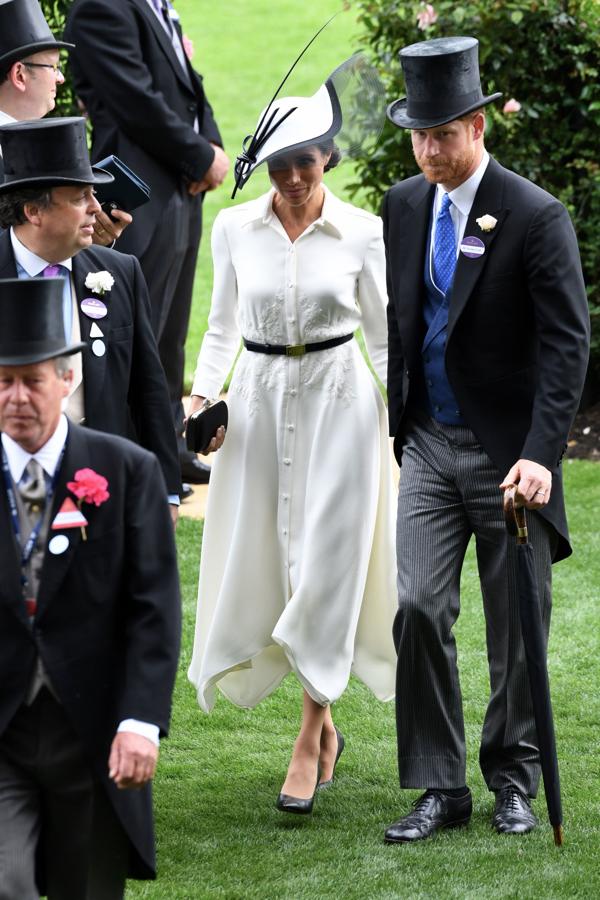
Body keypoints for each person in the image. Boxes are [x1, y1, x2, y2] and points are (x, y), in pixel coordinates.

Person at [382, 36, 590, 843]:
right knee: (416, 608)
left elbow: (567, 346)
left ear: (477, 124)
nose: (430, 149)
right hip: (430, 444)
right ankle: (439, 786)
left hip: (511, 455)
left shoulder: (536, 215)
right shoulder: (405, 206)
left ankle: (513, 777)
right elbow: (409, 323)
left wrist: (540, 454)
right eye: (419, 135)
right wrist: (400, 423)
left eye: (443, 133)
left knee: (516, 626)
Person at [187, 57, 398, 814]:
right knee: (276, 560)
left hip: (343, 408)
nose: (292, 178)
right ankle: (324, 715)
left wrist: (408, 420)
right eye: (279, 165)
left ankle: (309, 736)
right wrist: (200, 397)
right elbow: (218, 328)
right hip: (260, 401)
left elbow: (383, 339)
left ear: (328, 159)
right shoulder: (234, 228)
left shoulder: (364, 233)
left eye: (305, 162)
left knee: (328, 565)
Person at [0, 276, 181, 897]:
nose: (16, 397)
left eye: (32, 380)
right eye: (2, 381)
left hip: (95, 730)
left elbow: (153, 609)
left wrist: (140, 721)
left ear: (67, 380)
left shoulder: (126, 472)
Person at [65, 0, 230, 487]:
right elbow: (134, 99)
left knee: (171, 329)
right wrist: (200, 156)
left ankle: (170, 448)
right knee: (136, 332)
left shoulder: (157, 5)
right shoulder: (99, 7)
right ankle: (137, 463)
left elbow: (185, 84)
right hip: (133, 191)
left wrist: (210, 149)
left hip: (177, 183)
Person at [0, 116, 182, 522]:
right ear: (34, 211)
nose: (97, 210)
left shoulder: (120, 272)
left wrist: (167, 492)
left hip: (101, 494)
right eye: (81, 197)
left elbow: (148, 391)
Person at [0, 0, 132, 248]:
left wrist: (87, 237)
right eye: (53, 67)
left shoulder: (46, 142)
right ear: (19, 75)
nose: (60, 78)